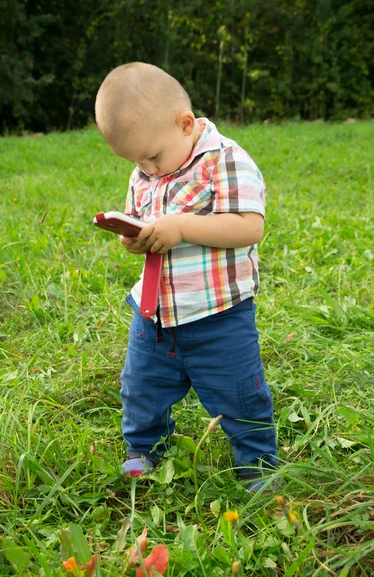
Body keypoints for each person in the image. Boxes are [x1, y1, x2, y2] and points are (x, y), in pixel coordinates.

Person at [95, 62, 278, 492]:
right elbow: (145, 220)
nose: (148, 169)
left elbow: (249, 226)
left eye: (153, 156)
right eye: (137, 161)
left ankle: (257, 467)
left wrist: (180, 227)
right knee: (141, 388)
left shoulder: (224, 160)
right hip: (155, 315)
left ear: (185, 123)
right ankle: (143, 450)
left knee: (240, 395)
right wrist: (135, 238)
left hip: (219, 316)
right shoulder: (144, 172)